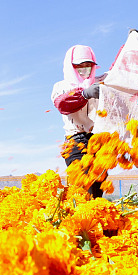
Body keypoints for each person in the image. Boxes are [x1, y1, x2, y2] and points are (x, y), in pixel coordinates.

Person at [52, 45, 105, 198]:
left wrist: (131, 43)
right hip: (75, 143)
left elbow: (121, 71)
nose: (84, 69)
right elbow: (62, 104)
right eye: (79, 66)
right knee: (83, 188)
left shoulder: (101, 82)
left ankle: (94, 220)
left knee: (97, 188)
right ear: (71, 67)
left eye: (88, 65)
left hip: (98, 143)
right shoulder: (61, 87)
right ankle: (81, 220)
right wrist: (84, 94)